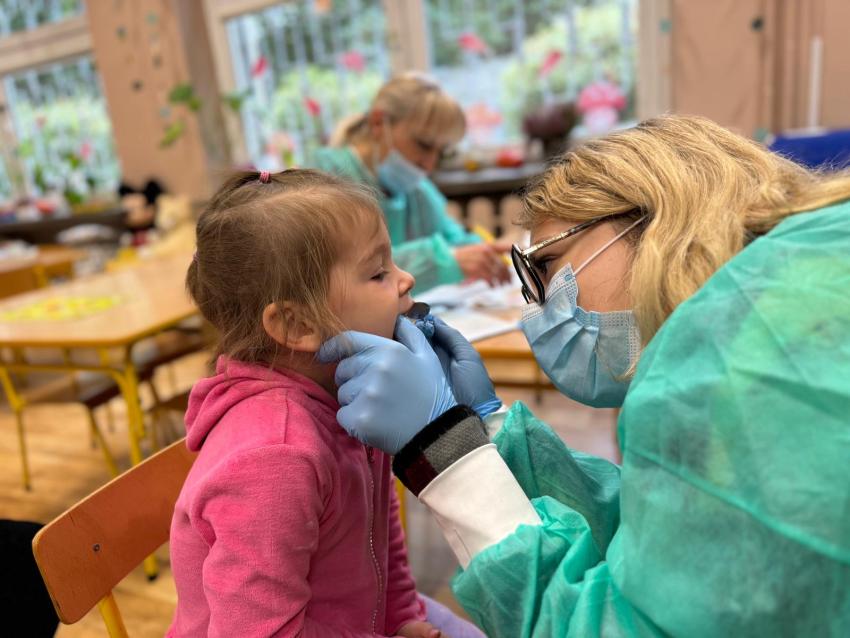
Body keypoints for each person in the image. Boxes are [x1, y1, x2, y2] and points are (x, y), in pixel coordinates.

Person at [319, 115, 850, 637]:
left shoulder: (731, 368)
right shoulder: (799, 283)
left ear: (649, 218)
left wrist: (446, 453)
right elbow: (668, 537)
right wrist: (483, 433)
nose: (540, 305)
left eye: (546, 266)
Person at [168, 169, 484, 637]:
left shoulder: (351, 397)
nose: (406, 279)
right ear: (296, 325)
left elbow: (378, 533)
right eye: (378, 273)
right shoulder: (276, 458)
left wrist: (403, 616)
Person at [315, 73, 510, 293]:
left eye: (441, 152)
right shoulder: (322, 184)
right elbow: (345, 273)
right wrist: (444, 261)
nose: (429, 164)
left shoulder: (417, 190)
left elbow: (453, 239)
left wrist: (484, 252)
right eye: (424, 144)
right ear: (378, 123)